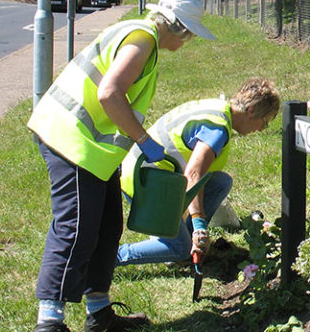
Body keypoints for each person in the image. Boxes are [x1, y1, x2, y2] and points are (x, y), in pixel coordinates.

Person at [23, 0, 216, 332]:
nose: (189, 40)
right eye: (189, 32)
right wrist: (145, 143)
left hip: (92, 151)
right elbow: (109, 94)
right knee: (75, 232)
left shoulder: (138, 34)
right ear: (176, 27)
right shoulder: (142, 40)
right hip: (72, 143)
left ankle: (99, 313)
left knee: (107, 228)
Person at [116, 78, 280, 267]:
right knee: (179, 248)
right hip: (145, 183)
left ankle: (181, 238)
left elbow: (198, 175)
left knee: (220, 182)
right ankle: (106, 259)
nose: (261, 129)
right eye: (264, 122)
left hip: (153, 175)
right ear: (251, 111)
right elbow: (194, 175)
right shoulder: (217, 130)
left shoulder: (218, 108)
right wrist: (200, 226)